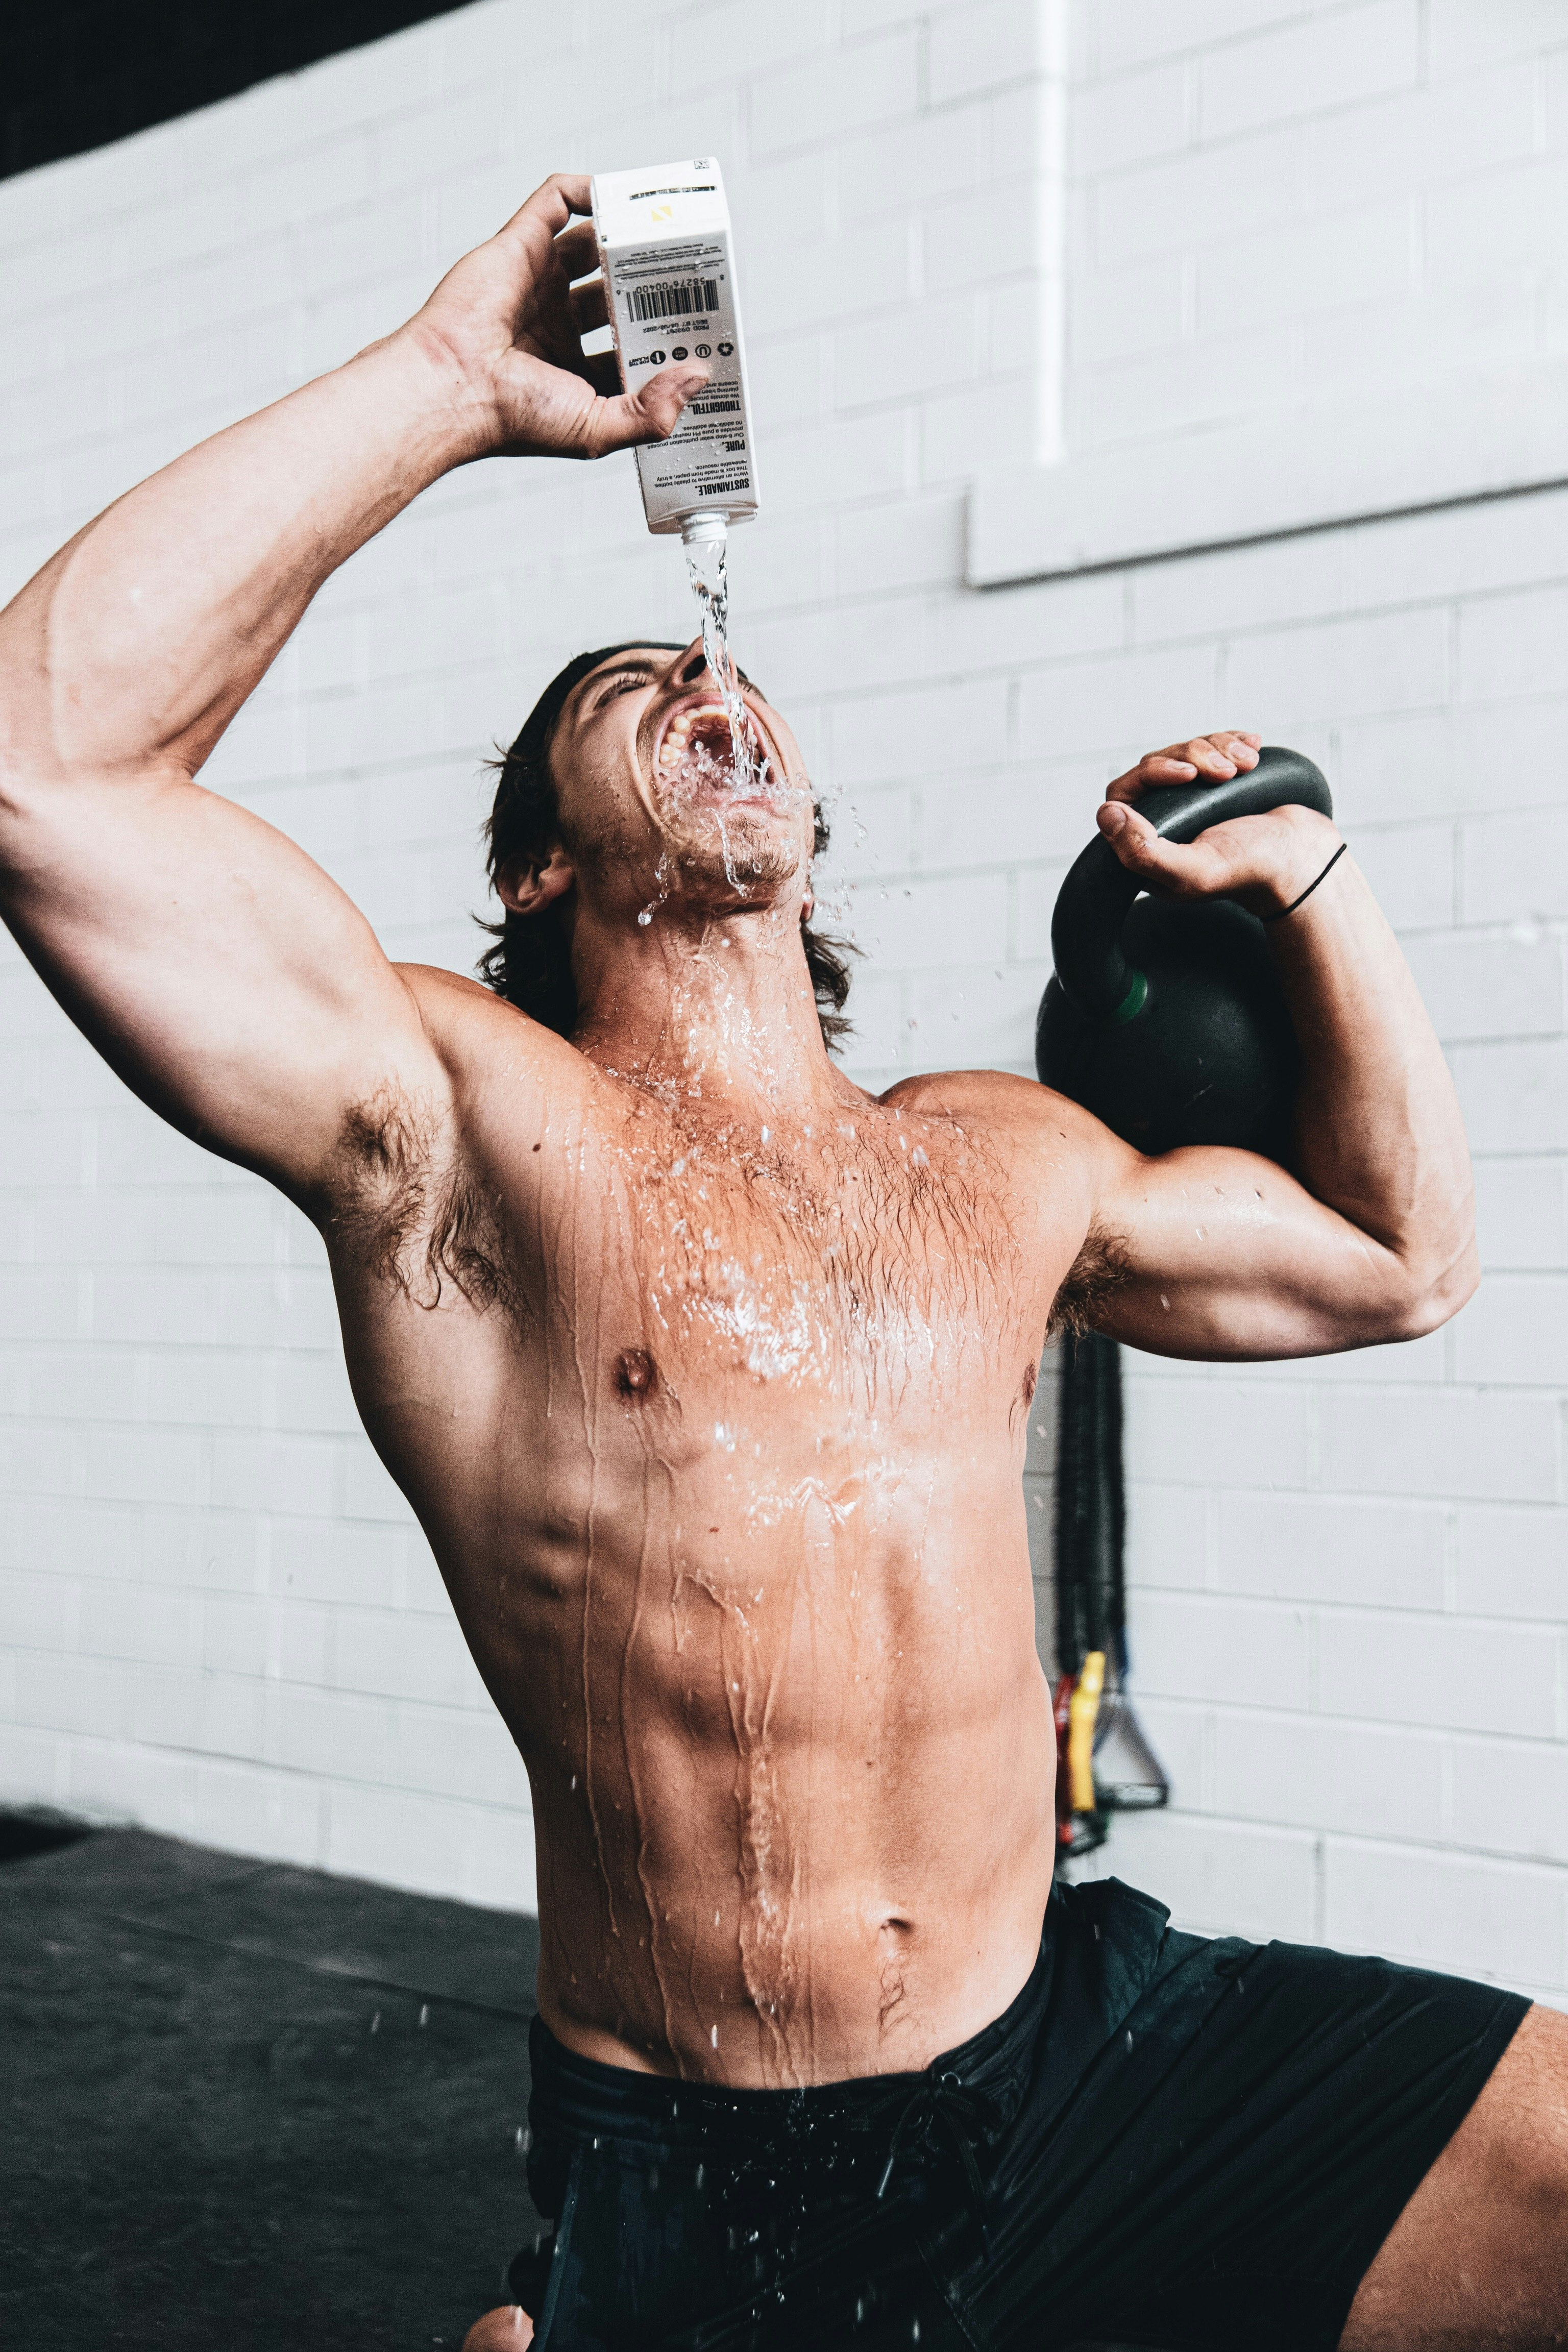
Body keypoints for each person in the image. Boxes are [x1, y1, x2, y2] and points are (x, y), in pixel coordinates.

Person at [0, 173, 1562, 2352]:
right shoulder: (463, 1131)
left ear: (808, 829)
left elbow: (1405, 1263)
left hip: (1089, 2049)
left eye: (729, 677)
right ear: (547, 856)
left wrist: (1319, 885)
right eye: (636, 690)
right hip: (720, 2167)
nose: (710, 682)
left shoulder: (995, 1158)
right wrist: (446, 384)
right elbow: (43, 769)